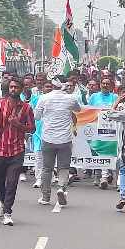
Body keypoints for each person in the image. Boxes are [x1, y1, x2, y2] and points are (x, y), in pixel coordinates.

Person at [0, 77, 35, 226]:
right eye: (11, 87)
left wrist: (18, 124)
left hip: (17, 150)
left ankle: (7, 212)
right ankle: (2, 199)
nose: (13, 89)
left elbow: (32, 128)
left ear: (21, 89)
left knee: (12, 182)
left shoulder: (26, 108)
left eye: (16, 87)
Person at [34, 76, 81, 207]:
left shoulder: (44, 98)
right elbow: (78, 109)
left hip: (48, 137)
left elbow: (36, 116)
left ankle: (45, 196)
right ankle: (61, 188)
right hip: (65, 139)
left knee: (47, 168)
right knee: (64, 167)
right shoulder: (71, 98)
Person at [88, 76, 118, 189]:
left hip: (110, 129)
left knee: (108, 152)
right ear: (100, 85)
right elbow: (88, 110)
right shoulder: (94, 96)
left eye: (107, 83)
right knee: (96, 152)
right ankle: (98, 175)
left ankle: (106, 176)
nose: (105, 85)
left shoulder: (114, 97)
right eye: (103, 83)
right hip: (95, 128)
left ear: (111, 86)